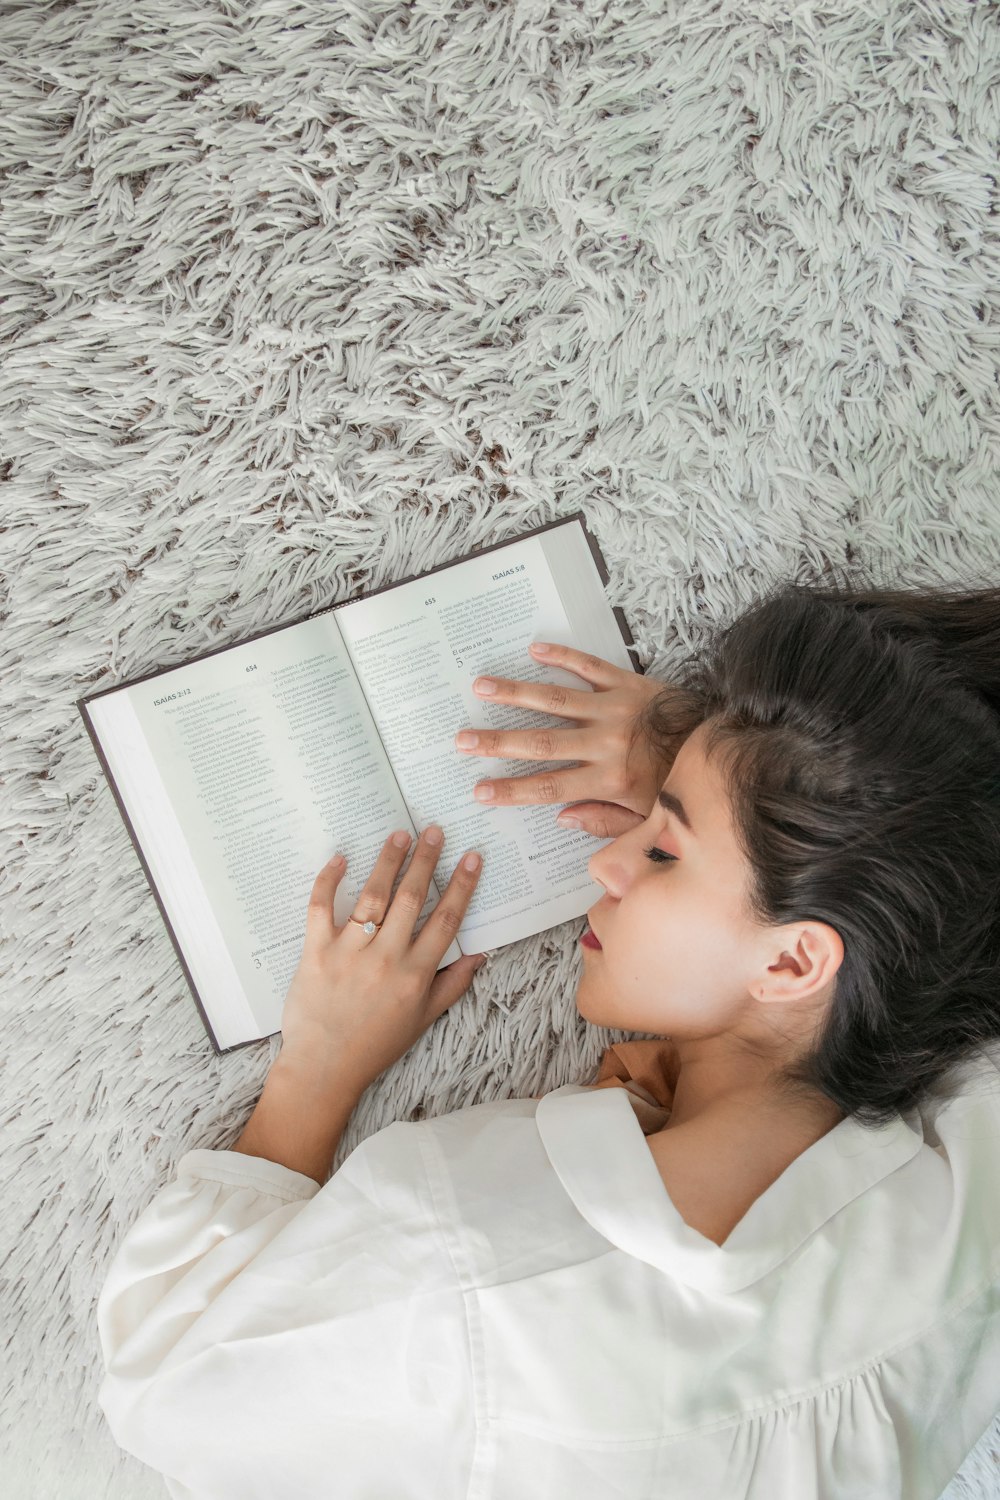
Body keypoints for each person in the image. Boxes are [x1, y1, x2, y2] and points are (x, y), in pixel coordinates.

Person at [96, 572, 1000, 1499]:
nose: (605, 860)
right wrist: (761, 798)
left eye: (660, 850)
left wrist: (318, 1068)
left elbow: (161, 1381)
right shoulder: (969, 1216)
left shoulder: (465, 1252)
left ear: (794, 963)